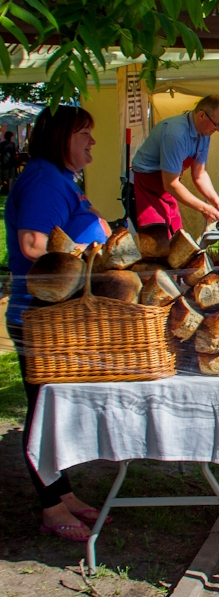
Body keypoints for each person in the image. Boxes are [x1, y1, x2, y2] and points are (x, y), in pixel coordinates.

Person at [5, 106, 111, 542]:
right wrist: (87, 245)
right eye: (84, 134)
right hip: (39, 316)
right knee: (43, 411)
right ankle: (49, 505)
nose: (91, 142)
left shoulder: (58, 177)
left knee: (53, 410)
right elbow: (33, 245)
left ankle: (61, 492)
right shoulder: (44, 178)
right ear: (60, 139)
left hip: (56, 316)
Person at [131, 95, 219, 235]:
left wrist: (217, 202)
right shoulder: (175, 134)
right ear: (202, 115)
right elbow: (171, 184)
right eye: (216, 124)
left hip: (166, 188)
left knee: (177, 236)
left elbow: (199, 174)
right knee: (157, 240)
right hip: (147, 185)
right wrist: (204, 208)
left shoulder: (204, 135)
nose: (218, 129)